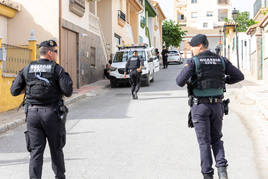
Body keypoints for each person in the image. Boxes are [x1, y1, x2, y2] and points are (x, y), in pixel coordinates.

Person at [176, 34, 244, 179]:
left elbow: (179, 81)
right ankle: (222, 172)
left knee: (204, 142)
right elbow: (239, 76)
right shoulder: (221, 60)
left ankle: (207, 175)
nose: (191, 49)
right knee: (217, 139)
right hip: (217, 106)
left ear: (200, 45)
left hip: (200, 107)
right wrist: (223, 80)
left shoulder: (194, 61)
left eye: (193, 47)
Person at [10, 40, 73, 179]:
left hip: (32, 114)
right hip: (51, 114)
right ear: (49, 53)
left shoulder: (27, 68)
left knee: (35, 152)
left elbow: (14, 91)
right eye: (56, 51)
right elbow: (68, 91)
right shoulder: (57, 69)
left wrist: (29, 88)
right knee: (56, 150)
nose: (57, 54)